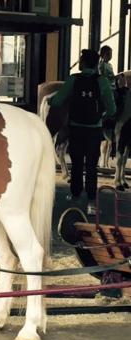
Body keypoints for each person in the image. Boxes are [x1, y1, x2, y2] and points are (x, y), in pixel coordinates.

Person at [49, 49, 116, 215]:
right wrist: (102, 116)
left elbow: (57, 101)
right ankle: (92, 203)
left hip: (76, 128)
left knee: (77, 163)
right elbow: (112, 108)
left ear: (84, 63)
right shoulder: (102, 81)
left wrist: (51, 99)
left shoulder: (73, 79)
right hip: (94, 130)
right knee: (92, 166)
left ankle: (75, 195)